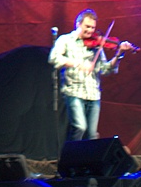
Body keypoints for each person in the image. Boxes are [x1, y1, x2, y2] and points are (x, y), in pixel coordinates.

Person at [49, 9, 132, 141]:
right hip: (74, 92)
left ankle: (87, 155)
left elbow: (105, 69)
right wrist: (78, 63)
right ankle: (71, 154)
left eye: (93, 28)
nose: (90, 31)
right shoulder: (65, 40)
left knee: (92, 135)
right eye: (87, 26)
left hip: (93, 94)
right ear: (78, 24)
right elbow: (53, 58)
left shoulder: (96, 46)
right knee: (80, 127)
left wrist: (119, 54)